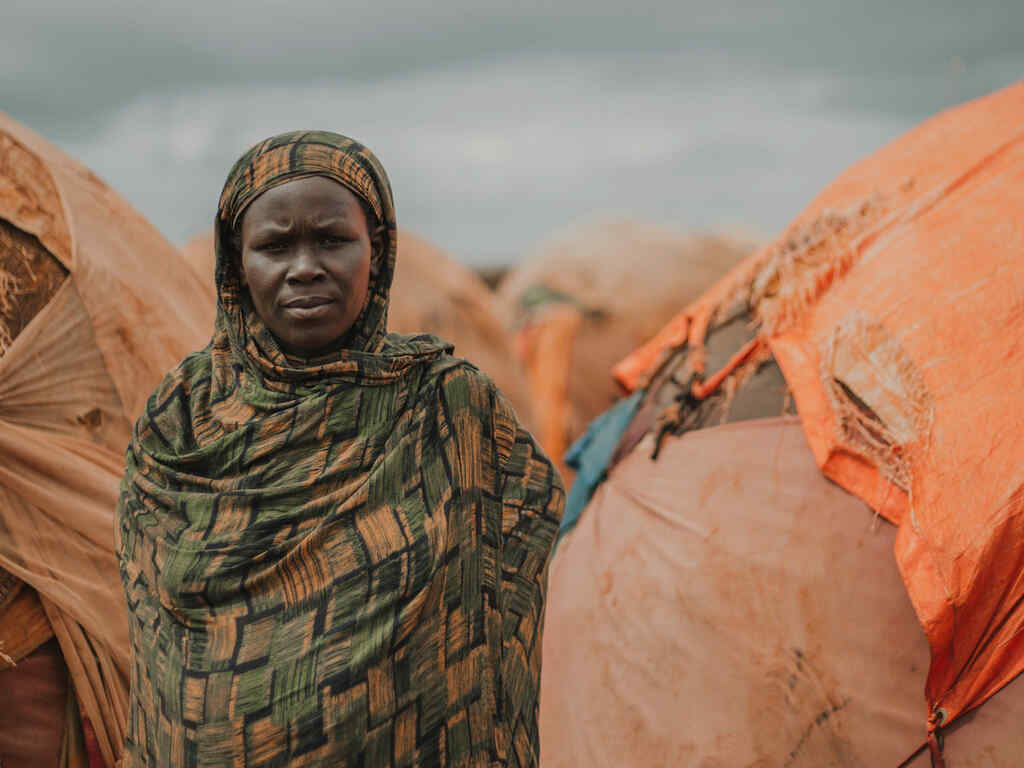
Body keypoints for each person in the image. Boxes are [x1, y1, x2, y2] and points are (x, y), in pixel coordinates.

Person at [116, 130, 564, 767]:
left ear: (375, 254)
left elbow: (512, 557)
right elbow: (162, 638)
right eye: (274, 245)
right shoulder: (181, 421)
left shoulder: (447, 407)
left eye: (332, 240)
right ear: (236, 262)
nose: (305, 268)